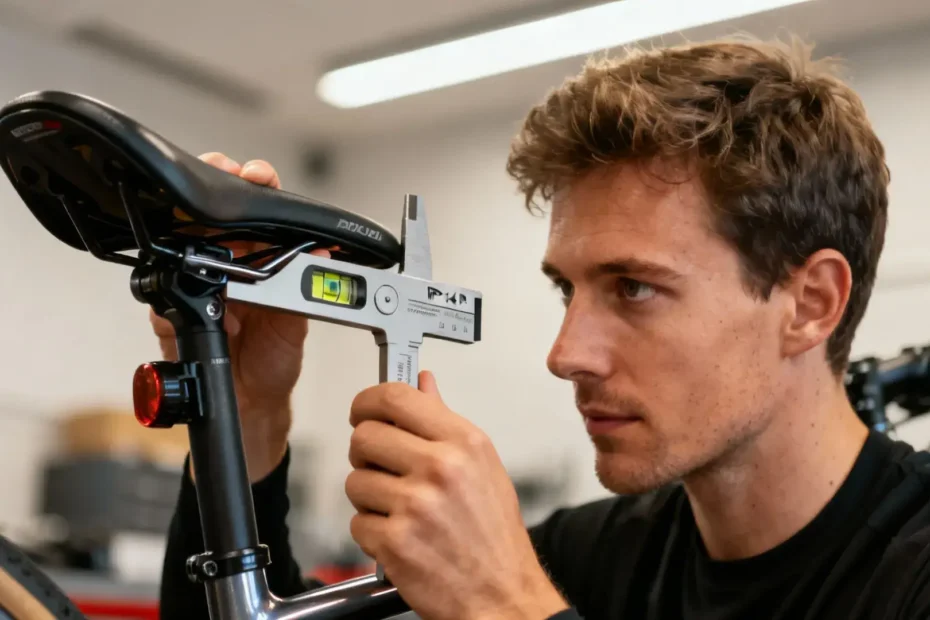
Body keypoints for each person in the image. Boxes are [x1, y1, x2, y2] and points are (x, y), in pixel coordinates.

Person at [157, 37, 930, 620]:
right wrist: (247, 413)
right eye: (567, 289)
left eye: (634, 288)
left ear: (810, 303)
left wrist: (508, 605)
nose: (566, 354)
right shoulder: (586, 557)